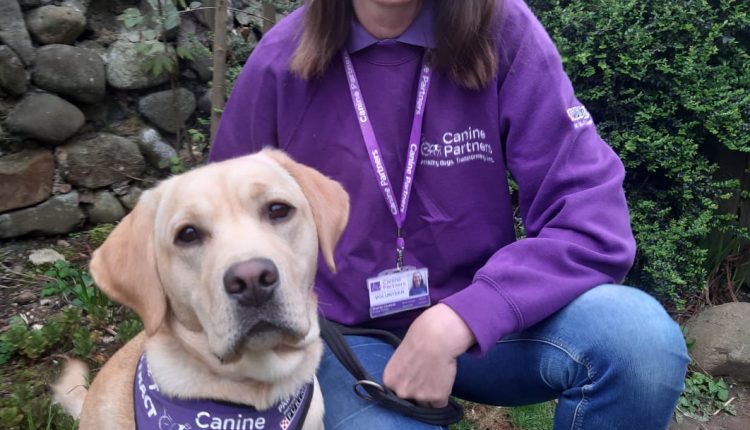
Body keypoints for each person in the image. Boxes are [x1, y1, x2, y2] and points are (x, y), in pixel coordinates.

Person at [210, 0, 689, 428]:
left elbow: (592, 219)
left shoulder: (503, 29)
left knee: (639, 343)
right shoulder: (280, 61)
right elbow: (223, 230)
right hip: (342, 337)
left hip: (485, 326)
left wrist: (461, 318)